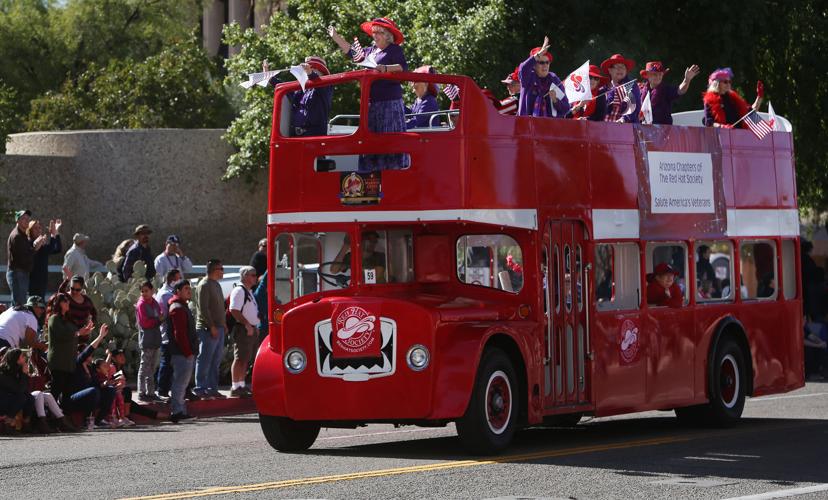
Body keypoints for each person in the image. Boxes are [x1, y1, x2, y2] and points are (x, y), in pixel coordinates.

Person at [329, 18, 410, 171]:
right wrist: (336, 36)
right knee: (370, 141)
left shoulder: (394, 50)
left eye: (378, 32)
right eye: (373, 32)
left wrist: (384, 68)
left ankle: (391, 173)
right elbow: (352, 52)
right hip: (371, 103)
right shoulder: (370, 51)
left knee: (388, 140)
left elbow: (402, 67)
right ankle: (371, 175)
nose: (375, 35)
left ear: (387, 34)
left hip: (389, 103)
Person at [265, 56, 333, 137]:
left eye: (313, 69)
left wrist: (311, 74)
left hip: (314, 136)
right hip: (297, 136)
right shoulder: (303, 89)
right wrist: (269, 77)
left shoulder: (326, 85)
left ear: (321, 73)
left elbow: (317, 81)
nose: (306, 72)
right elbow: (287, 90)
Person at [46, 293, 95, 405]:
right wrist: (78, 332)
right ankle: (49, 413)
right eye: (65, 301)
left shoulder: (68, 320)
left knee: (67, 391)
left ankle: (63, 414)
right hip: (58, 362)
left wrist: (85, 332)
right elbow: (62, 334)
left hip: (69, 363)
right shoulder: (54, 319)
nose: (68, 303)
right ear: (59, 304)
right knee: (56, 389)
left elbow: (74, 334)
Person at [65, 324, 114, 430]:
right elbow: (88, 350)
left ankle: (98, 421)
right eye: (88, 354)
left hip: (90, 396)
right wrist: (100, 336)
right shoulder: (76, 363)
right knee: (93, 391)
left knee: (110, 391)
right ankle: (86, 421)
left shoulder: (90, 368)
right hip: (74, 398)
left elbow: (96, 384)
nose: (91, 355)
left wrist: (104, 384)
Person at [194, 259, 226, 399]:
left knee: (216, 360)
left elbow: (220, 306)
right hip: (208, 329)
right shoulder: (204, 285)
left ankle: (213, 388)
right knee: (205, 359)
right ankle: (200, 388)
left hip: (219, 328)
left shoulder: (217, 285)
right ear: (214, 270)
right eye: (221, 268)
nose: (222, 271)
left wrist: (223, 324)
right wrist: (211, 326)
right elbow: (203, 308)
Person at [168, 279, 198, 422]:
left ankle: (181, 411)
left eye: (189, 288)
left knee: (182, 383)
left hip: (184, 352)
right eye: (186, 288)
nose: (189, 291)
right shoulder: (177, 308)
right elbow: (179, 333)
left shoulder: (181, 306)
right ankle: (177, 412)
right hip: (182, 353)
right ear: (178, 291)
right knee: (180, 383)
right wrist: (187, 351)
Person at [518, 37, 569, 118]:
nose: (545, 65)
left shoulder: (554, 80)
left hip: (549, 127)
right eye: (541, 62)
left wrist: (555, 100)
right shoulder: (528, 77)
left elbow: (566, 108)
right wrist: (539, 53)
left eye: (547, 62)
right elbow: (523, 68)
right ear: (534, 66)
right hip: (527, 126)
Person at [228, 266, 259, 398]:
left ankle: (241, 385)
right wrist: (247, 325)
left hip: (250, 328)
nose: (255, 277)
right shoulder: (239, 291)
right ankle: (235, 386)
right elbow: (234, 310)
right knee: (240, 358)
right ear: (245, 276)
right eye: (252, 275)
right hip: (243, 329)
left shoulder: (248, 291)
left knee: (245, 358)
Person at [154, 269, 181, 398]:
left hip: (168, 333)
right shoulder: (166, 294)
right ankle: (162, 389)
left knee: (167, 362)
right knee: (166, 362)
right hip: (167, 333)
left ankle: (163, 387)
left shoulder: (167, 293)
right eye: (178, 278)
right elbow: (166, 315)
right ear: (172, 280)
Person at [136, 281, 164, 402]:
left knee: (152, 367)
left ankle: (151, 392)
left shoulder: (154, 303)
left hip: (155, 338)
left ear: (152, 291)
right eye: (142, 291)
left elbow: (160, 315)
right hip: (147, 339)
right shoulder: (141, 305)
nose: (144, 293)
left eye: (146, 291)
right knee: (144, 367)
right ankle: (142, 392)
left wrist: (159, 319)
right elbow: (145, 323)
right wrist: (158, 320)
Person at [27, 218, 62, 299]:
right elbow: (50, 248)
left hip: (42, 280)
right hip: (34, 280)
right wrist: (53, 234)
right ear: (30, 230)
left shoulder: (41, 244)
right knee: (35, 306)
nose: (38, 229)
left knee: (40, 305)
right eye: (35, 228)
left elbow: (58, 249)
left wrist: (56, 232)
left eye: (39, 227)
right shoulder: (31, 243)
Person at [601, 53, 641, 123]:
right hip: (606, 128)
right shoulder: (603, 88)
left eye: (622, 67)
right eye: (617, 67)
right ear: (610, 70)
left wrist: (624, 119)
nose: (620, 70)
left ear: (626, 71)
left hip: (626, 127)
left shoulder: (631, 85)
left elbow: (634, 106)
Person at [6, 210, 34, 305]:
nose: (27, 221)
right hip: (18, 273)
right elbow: (23, 259)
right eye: (24, 218)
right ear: (17, 221)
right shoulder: (17, 236)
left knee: (17, 305)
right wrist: (35, 248)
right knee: (18, 305)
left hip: (20, 273)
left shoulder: (23, 235)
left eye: (28, 219)